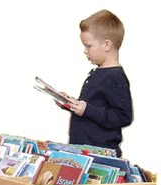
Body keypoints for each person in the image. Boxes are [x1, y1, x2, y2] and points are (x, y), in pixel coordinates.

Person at [56, 10, 133, 158]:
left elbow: (123, 116)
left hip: (101, 156)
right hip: (83, 152)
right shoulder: (96, 73)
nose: (85, 51)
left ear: (106, 45)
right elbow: (92, 107)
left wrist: (87, 110)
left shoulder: (115, 77)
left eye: (88, 46)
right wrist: (69, 103)